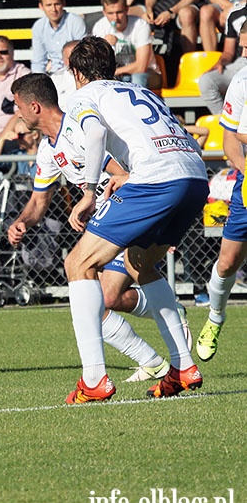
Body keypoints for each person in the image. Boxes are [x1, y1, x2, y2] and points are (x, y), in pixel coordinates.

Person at [9, 72, 181, 384]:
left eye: (17, 106)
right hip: (110, 220)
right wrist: (21, 222)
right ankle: (156, 354)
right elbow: (38, 202)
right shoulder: (49, 149)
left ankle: (126, 366)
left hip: (129, 214)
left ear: (34, 107)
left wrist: (99, 198)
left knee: (91, 290)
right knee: (99, 300)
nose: (15, 113)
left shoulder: (81, 131)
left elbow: (126, 172)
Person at [61, 36, 207, 402]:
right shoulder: (137, 91)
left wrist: (89, 192)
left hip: (156, 179)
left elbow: (94, 132)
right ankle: (183, 366)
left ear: (77, 73)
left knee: (78, 263)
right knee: (139, 262)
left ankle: (94, 379)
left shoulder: (85, 94)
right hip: (194, 175)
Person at [194, 49, 247, 362]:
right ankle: (215, 317)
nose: (242, 54)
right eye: (241, 47)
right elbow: (230, 141)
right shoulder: (241, 80)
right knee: (227, 263)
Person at [91, 0, 162, 89]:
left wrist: (115, 72)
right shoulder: (100, 27)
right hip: (117, 75)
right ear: (104, 13)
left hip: (148, 73)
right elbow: (98, 65)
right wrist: (104, 46)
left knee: (137, 78)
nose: (115, 18)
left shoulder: (140, 25)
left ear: (126, 9)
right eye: (110, 13)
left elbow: (141, 66)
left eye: (119, 12)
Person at [199, 2, 247, 114]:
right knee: (207, 81)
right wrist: (221, 62)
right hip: (241, 64)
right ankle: (225, 123)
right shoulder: (235, 14)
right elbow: (228, 52)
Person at [30, 0, 86, 76]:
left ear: (63, 3)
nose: (53, 9)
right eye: (49, 5)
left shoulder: (75, 21)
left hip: (74, 73)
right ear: (41, 6)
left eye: (57, 4)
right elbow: (38, 61)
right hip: (52, 74)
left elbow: (83, 55)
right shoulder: (38, 26)